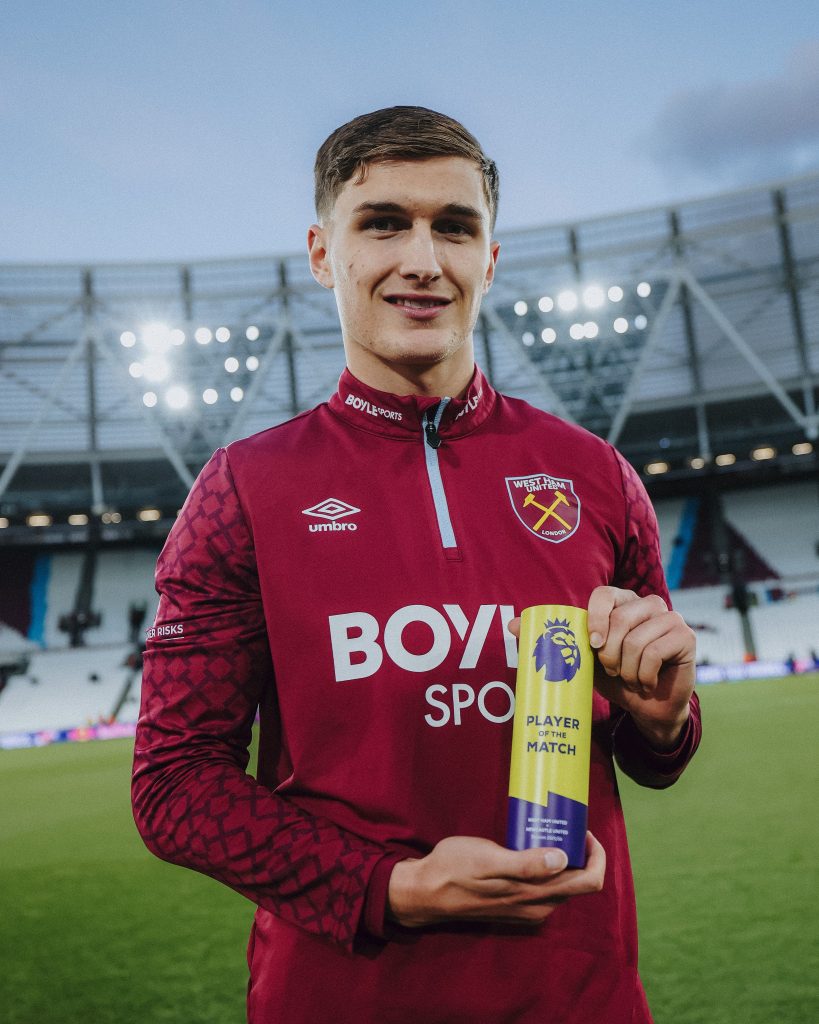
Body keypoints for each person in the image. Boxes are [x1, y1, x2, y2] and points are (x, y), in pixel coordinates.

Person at [132, 106, 701, 1024]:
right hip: (339, 1001)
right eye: (384, 223)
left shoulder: (595, 474)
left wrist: (665, 719)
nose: (423, 260)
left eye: (455, 227)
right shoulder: (242, 490)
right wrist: (391, 887)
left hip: (578, 996)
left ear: (490, 259)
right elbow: (174, 786)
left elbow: (656, 754)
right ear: (323, 254)